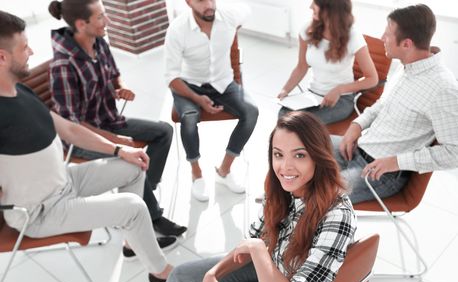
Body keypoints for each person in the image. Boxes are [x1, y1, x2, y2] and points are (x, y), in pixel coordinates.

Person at [130, 111, 357, 282]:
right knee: (181, 278)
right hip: (270, 268)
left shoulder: (336, 214)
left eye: (299, 155)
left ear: (318, 157)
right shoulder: (283, 189)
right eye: (278, 155)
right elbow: (250, 241)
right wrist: (214, 273)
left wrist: (257, 248)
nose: (285, 167)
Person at [0, 10, 173, 282]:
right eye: (24, 48)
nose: (32, 51)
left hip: (64, 180)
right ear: (2, 57)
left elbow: (69, 129)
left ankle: (133, 242)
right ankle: (160, 271)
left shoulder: (21, 92)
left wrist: (119, 149)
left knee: (133, 165)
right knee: (132, 206)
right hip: (40, 211)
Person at [47, 0, 186, 259]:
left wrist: (119, 86)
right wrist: (117, 142)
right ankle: (152, 215)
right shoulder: (63, 66)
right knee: (133, 161)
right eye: (101, 17)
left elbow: (114, 74)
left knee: (163, 131)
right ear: (81, 24)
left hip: (108, 119)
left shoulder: (98, 41)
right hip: (83, 138)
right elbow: (73, 125)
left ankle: (145, 196)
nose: (107, 21)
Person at [333, 4, 458, 204]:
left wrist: (397, 162)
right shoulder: (406, 67)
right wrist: (357, 125)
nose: (382, 38)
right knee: (299, 146)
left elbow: (454, 152)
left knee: (318, 194)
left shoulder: (443, 88)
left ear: (406, 44)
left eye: (387, 34)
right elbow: (383, 104)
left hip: (383, 173)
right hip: (361, 147)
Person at [164, 0, 259, 202]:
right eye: (200, 0)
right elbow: (171, 77)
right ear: (188, 2)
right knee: (189, 118)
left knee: (251, 112)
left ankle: (223, 171)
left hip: (222, 82)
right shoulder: (178, 29)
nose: (208, 5)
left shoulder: (229, 15)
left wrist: (234, 29)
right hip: (188, 85)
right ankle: (196, 173)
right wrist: (198, 99)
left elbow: (247, 10)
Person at [278, 0, 378, 123]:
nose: (310, 6)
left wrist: (339, 89)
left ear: (330, 8)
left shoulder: (353, 36)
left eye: (315, 3)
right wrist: (285, 90)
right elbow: (301, 66)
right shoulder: (307, 29)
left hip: (341, 100)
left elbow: (372, 78)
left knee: (302, 124)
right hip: (313, 96)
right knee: (283, 115)